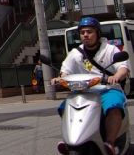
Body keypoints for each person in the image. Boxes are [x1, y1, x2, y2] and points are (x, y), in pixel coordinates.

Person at [50, 16, 130, 155]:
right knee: (64, 107)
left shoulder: (110, 50)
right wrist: (59, 79)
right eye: (82, 33)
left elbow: (123, 67)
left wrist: (116, 76)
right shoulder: (75, 53)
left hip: (107, 89)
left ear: (97, 33)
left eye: (89, 31)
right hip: (83, 91)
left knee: (114, 105)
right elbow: (65, 71)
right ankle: (70, 140)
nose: (85, 35)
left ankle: (109, 143)